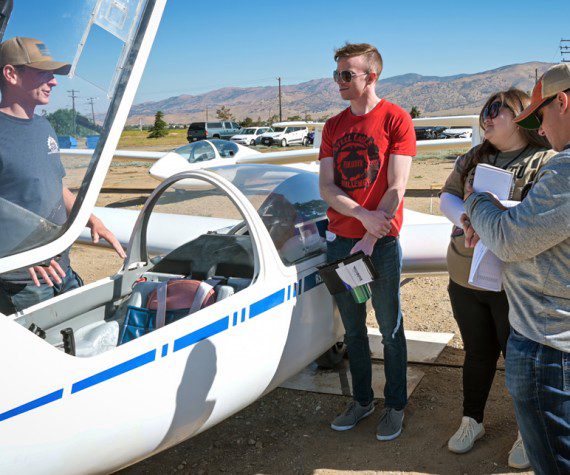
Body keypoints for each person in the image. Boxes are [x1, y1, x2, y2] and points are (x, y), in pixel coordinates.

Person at [462, 63, 570, 475]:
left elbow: (510, 239)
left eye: (541, 116)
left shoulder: (564, 167)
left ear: (562, 102)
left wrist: (477, 202)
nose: (541, 129)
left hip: (549, 343)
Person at [439, 88, 554, 467]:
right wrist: (468, 220)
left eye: (495, 110)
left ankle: (528, 431)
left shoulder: (545, 162)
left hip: (513, 284)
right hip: (464, 277)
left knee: (518, 360)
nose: (486, 117)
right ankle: (472, 420)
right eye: (484, 110)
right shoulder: (474, 156)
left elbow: (537, 222)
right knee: (477, 352)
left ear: (520, 116)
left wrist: (492, 222)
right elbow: (447, 197)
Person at [318, 43, 416, 441]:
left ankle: (395, 404)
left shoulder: (396, 119)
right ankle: (362, 401)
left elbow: (397, 186)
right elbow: (326, 186)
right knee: (354, 328)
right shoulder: (332, 127)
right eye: (337, 74)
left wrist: (373, 237)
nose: (338, 81)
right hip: (343, 246)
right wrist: (360, 220)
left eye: (346, 75)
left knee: (390, 327)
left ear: (370, 76)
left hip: (382, 247)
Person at [0, 37, 126, 315]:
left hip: (60, 264)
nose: (54, 81)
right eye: (44, 72)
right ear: (11, 74)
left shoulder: (44, 126)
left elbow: (55, 186)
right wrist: (17, 257)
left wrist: (91, 219)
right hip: (22, 282)